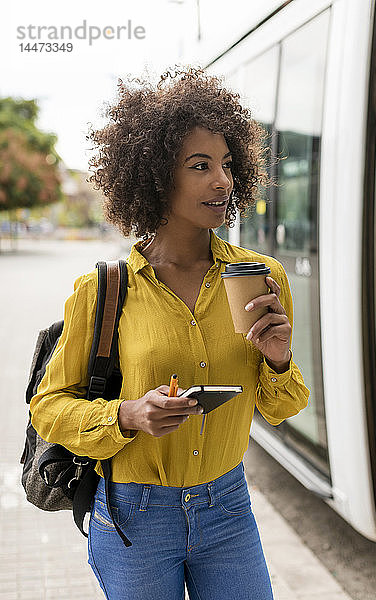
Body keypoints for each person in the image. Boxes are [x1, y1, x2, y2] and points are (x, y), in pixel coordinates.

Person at [30, 66, 310, 600]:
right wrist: (129, 414)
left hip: (228, 510)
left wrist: (277, 359)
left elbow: (282, 408)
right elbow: (48, 407)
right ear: (157, 174)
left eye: (227, 165)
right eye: (200, 166)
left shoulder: (260, 278)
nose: (222, 181)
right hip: (135, 519)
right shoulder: (104, 290)